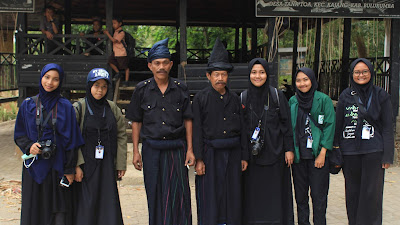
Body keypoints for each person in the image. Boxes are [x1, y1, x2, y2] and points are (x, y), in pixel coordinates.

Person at [125, 38, 195, 225]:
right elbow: (136, 121)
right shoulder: (142, 89)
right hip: (151, 149)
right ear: (150, 66)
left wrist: (189, 149)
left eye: (165, 62)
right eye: (157, 63)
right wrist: (136, 152)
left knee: (179, 195)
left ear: (171, 64)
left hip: (176, 149)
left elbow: (188, 119)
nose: (161, 67)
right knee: (154, 193)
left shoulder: (181, 89)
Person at [14, 63, 84, 225]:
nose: (50, 82)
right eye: (47, 77)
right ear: (41, 77)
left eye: (55, 79)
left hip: (57, 167)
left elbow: (72, 141)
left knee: (58, 212)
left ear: (61, 82)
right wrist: (29, 146)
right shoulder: (28, 105)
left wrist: (69, 169)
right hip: (34, 167)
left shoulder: (66, 106)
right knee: (34, 210)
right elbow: (19, 134)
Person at [193, 38, 248, 225]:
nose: (220, 79)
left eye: (223, 74)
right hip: (210, 154)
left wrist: (244, 156)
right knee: (210, 194)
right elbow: (197, 130)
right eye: (216, 74)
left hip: (233, 153)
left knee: (232, 193)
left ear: (227, 76)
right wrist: (199, 159)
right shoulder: (200, 99)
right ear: (209, 76)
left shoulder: (234, 98)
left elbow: (243, 129)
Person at [334, 58, 394, 225]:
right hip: (350, 153)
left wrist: (387, 156)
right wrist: (336, 149)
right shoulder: (346, 95)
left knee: (372, 196)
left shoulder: (381, 95)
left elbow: (388, 126)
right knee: (353, 195)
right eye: (357, 72)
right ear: (352, 74)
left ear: (371, 72)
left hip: (374, 152)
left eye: (365, 71)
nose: (361, 75)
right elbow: (338, 125)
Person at [241, 58, 295, 225]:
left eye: (262, 72)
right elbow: (241, 130)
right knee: (254, 195)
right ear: (249, 74)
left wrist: (289, 149)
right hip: (253, 158)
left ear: (267, 74)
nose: (258, 76)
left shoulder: (277, 96)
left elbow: (286, 125)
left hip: (276, 155)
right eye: (254, 72)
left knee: (275, 195)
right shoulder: (243, 98)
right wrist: (243, 155)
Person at [72, 68, 127, 225]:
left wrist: (121, 163)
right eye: (96, 85)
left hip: (107, 163)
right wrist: (76, 165)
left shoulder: (112, 108)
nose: (100, 90)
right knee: (87, 202)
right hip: (86, 164)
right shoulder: (79, 108)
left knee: (107, 200)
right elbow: (72, 138)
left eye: (104, 86)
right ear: (89, 86)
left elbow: (121, 136)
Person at [288, 68, 335, 225]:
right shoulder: (293, 102)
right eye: (299, 80)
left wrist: (323, 153)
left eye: (306, 79)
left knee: (319, 197)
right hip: (299, 158)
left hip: (317, 158)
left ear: (313, 80)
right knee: (301, 197)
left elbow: (329, 127)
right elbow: (289, 128)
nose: (302, 83)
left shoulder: (324, 100)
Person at [104, 16, 130, 86]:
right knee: (110, 61)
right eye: (113, 23)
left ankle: (126, 81)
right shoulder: (115, 31)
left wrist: (107, 33)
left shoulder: (121, 33)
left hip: (121, 53)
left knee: (125, 67)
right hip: (115, 52)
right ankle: (118, 73)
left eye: (115, 23)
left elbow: (114, 40)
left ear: (120, 23)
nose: (113, 25)